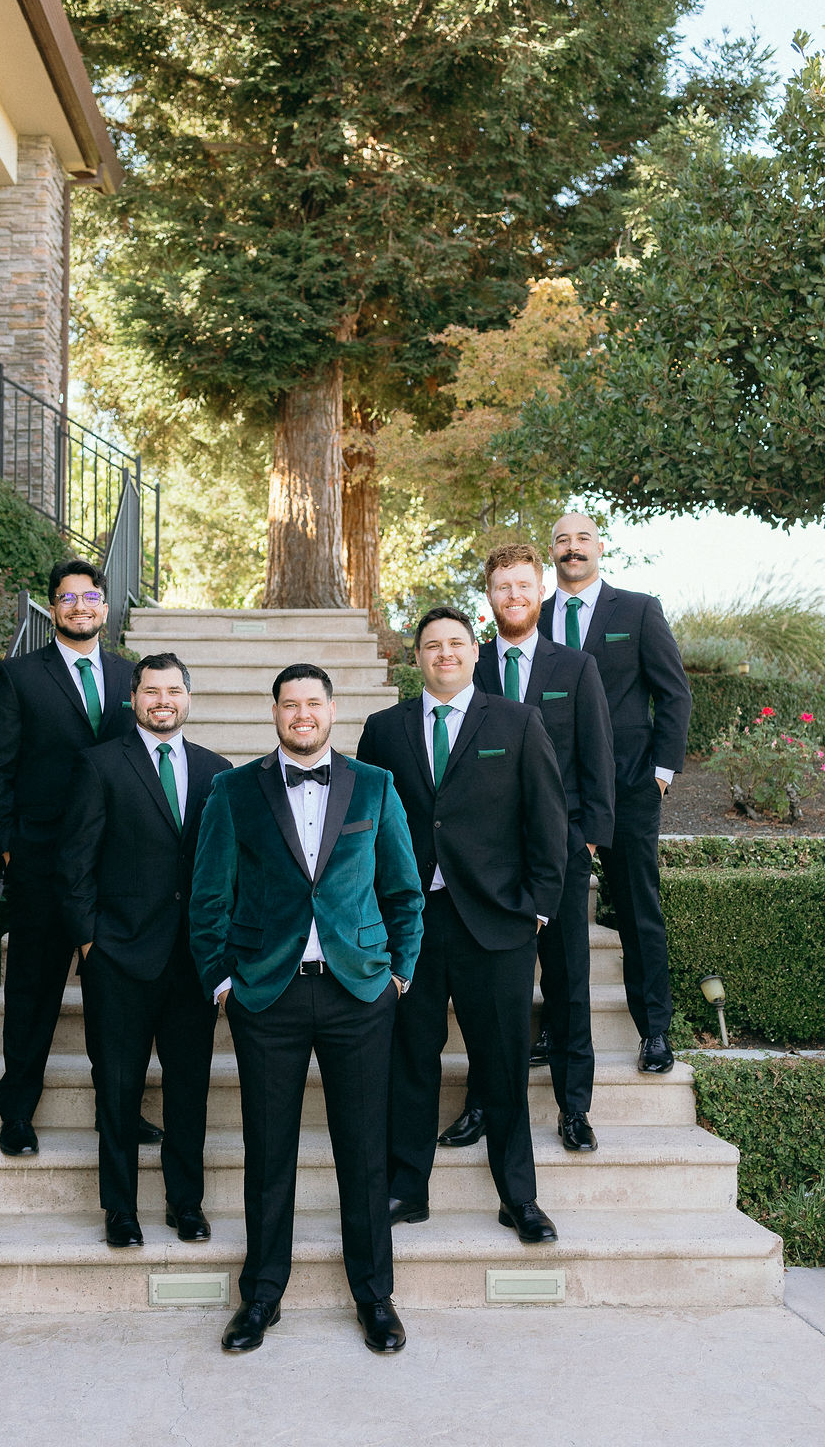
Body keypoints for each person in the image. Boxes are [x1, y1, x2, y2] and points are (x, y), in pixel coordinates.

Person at [189, 663, 423, 1355]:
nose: (302, 714)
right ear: (274, 713)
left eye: (312, 703)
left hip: (359, 993)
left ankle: (375, 1297)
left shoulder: (375, 786)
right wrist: (222, 981)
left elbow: (406, 891)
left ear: (331, 710)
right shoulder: (233, 791)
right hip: (267, 994)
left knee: (364, 1151)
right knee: (268, 1153)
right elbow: (208, 900)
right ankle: (261, 1296)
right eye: (290, 704)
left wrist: (399, 976)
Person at [357, 606, 566, 1243]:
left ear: (474, 653)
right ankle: (406, 1186)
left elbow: (548, 821)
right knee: (410, 1058)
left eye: (455, 643)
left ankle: (518, 1197)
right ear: (416, 657)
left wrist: (536, 906)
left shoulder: (517, 722)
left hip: (496, 923)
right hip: (412, 922)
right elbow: (364, 826)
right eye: (431, 645)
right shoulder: (383, 729)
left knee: (501, 1063)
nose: (444, 653)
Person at [437, 546, 614, 1154]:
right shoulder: (470, 665)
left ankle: (574, 1108)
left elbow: (597, 757)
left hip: (557, 852)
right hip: (485, 863)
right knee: (490, 992)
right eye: (501, 586)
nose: (513, 595)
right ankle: (483, 1100)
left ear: (540, 591)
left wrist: (589, 838)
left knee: (567, 982)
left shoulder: (575, 668)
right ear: (488, 597)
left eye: (523, 584)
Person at [0, 559, 144, 1156]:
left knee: (113, 997)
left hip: (115, 865)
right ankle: (17, 1112)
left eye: (89, 596)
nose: (79, 606)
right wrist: (10, 850)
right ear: (53, 608)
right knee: (33, 991)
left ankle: (118, 1111)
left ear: (103, 606)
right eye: (66, 598)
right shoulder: (19, 676)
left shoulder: (131, 677)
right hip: (41, 861)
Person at [60, 653, 231, 1248]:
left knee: (189, 1092)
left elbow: (229, 867)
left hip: (192, 963)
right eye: (151, 691)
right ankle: (121, 1212)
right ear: (133, 698)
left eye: (174, 691)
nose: (163, 701)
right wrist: (90, 943)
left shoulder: (217, 771)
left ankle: (187, 1205)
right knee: (118, 1090)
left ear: (189, 698)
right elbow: (74, 862)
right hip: (120, 959)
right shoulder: (101, 765)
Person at [538, 512, 692, 1074]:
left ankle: (654, 1030)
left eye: (582, 539)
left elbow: (674, 694)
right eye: (562, 540)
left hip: (630, 785)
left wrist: (661, 772)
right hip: (556, 792)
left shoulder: (638, 609)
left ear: (600, 547)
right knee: (550, 913)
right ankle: (556, 1025)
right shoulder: (535, 617)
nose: (572, 549)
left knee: (635, 905)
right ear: (551, 551)